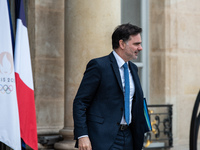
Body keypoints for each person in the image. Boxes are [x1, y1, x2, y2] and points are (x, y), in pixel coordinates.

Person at [73, 23, 148, 150]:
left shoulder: (133, 69)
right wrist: (82, 135)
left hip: (129, 136)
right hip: (103, 138)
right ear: (122, 44)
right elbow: (80, 102)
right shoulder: (98, 66)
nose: (140, 48)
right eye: (136, 44)